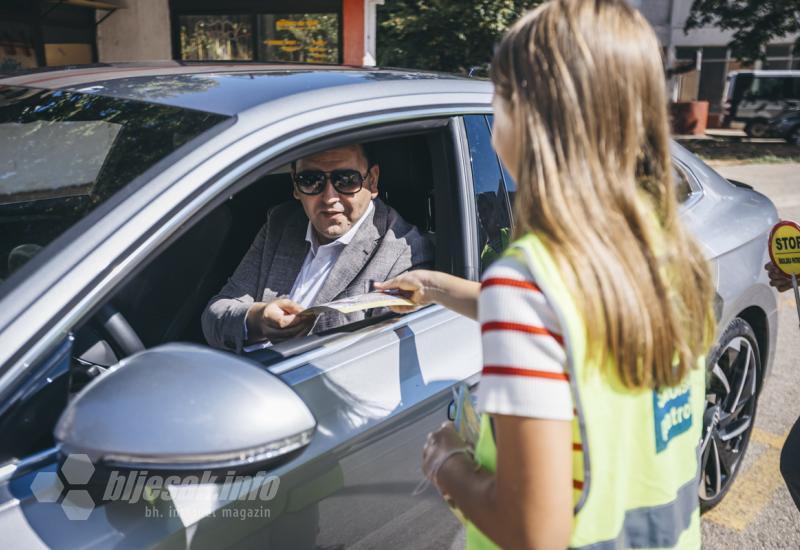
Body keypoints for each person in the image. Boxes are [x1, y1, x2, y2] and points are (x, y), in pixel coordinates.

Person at [375, 1, 716, 548]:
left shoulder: (528, 283)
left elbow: (532, 532)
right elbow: (573, 320)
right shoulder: (668, 253)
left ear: (531, 118)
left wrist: (446, 462)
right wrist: (434, 285)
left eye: (498, 100)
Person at [202, 144, 433, 352]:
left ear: (372, 181)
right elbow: (215, 314)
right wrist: (257, 320)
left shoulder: (405, 252)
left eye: (346, 180)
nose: (329, 197)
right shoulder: (281, 223)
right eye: (311, 180)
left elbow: (381, 357)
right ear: (295, 185)